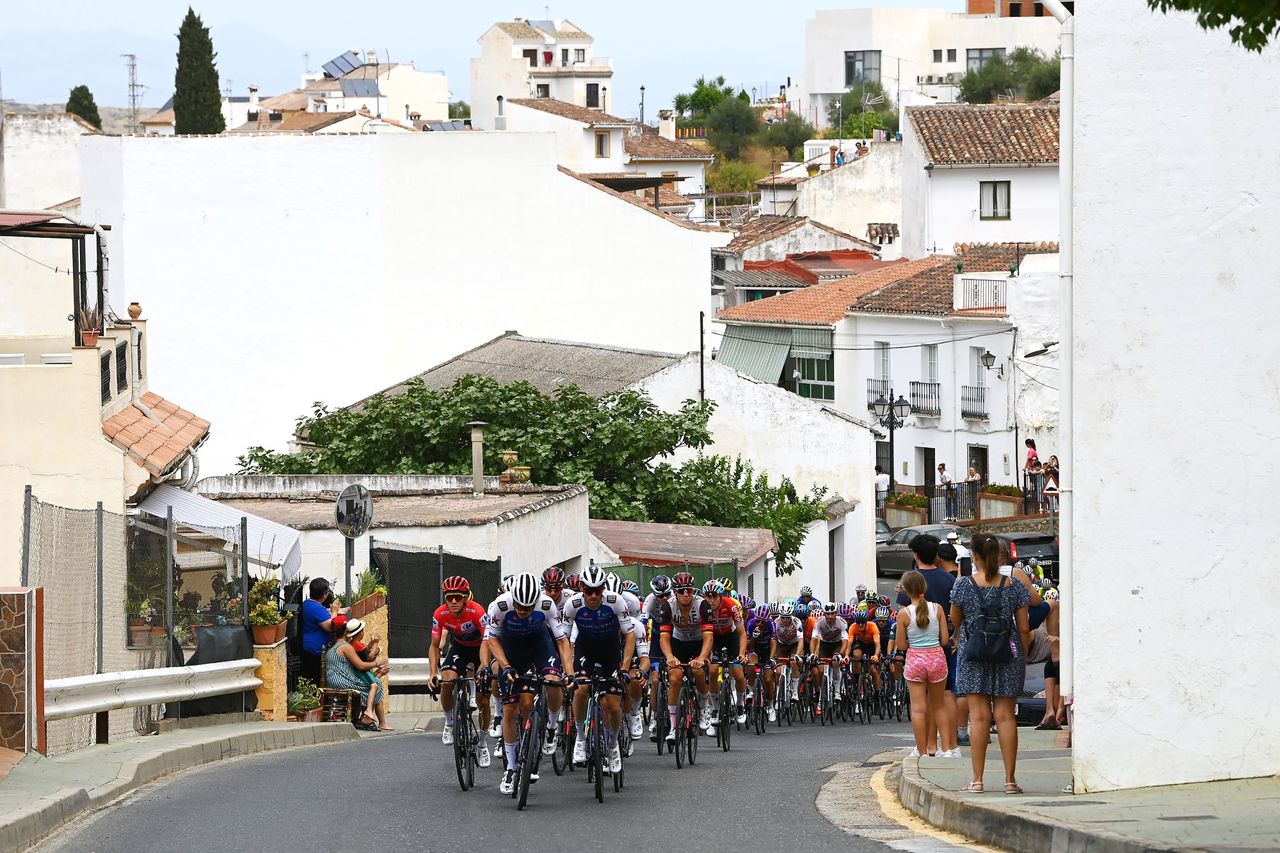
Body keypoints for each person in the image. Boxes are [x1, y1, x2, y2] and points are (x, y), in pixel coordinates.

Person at [950, 533, 1031, 794]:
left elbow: (956, 619)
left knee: (979, 717)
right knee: (1006, 717)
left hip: (974, 655)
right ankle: (1010, 781)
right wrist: (1023, 655)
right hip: (1008, 654)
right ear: (999, 555)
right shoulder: (1014, 585)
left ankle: (977, 780)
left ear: (974, 556)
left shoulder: (963, 586)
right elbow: (1025, 628)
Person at [484, 573, 572, 795]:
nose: (523, 611)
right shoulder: (500, 606)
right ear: (512, 599)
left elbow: (561, 640)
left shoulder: (546, 604)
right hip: (512, 652)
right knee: (511, 710)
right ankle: (512, 768)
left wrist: (569, 672)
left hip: (539, 647)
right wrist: (504, 665)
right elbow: (491, 639)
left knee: (553, 681)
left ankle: (552, 726)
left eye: (528, 607)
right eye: (520, 607)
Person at [562, 564, 634, 774]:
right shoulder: (572, 604)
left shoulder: (615, 602)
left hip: (611, 652)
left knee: (611, 705)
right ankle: (581, 739)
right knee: (581, 689)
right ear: (582, 588)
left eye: (598, 590)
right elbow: (564, 639)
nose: (593, 596)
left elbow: (629, 635)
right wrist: (569, 671)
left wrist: (624, 668)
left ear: (603, 589)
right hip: (586, 650)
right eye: (588, 591)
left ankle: (612, 747)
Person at [895, 534, 958, 755]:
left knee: (919, 707)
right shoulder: (948, 582)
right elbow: (949, 629)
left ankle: (924, 749)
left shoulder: (905, 605)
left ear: (916, 555)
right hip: (940, 654)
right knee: (943, 700)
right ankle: (949, 746)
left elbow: (901, 642)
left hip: (916, 658)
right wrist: (955, 637)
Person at [427, 575, 492, 766]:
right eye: (449, 597)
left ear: (465, 597)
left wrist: (484, 665)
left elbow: (488, 640)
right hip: (460, 648)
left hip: (481, 648)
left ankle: (482, 743)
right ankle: (449, 722)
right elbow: (434, 646)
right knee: (447, 682)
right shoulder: (440, 614)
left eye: (457, 597)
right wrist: (432, 673)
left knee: (484, 700)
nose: (453, 601)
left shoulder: (477, 611)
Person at [656, 571, 714, 746]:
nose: (686, 594)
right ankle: (674, 727)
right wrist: (670, 657)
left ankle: (704, 707)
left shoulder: (702, 605)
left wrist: (702, 658)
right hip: (678, 642)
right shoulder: (667, 606)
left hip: (698, 642)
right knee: (674, 677)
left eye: (689, 590)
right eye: (681, 591)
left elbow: (709, 637)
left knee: (697, 670)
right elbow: (664, 637)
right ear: (675, 592)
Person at [702, 579, 748, 729]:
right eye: (708, 596)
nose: (712, 600)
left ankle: (740, 703)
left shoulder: (731, 605)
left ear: (721, 595)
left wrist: (741, 653)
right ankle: (715, 707)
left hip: (731, 637)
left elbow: (742, 633)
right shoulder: (703, 607)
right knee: (713, 671)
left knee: (738, 673)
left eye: (715, 596)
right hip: (713, 638)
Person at [325, 619, 386, 731]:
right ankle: (367, 718)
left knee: (371, 684)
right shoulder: (345, 646)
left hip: (333, 680)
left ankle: (361, 717)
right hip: (342, 681)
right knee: (376, 684)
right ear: (345, 632)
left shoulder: (333, 646)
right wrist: (378, 663)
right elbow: (361, 666)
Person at [744, 603, 778, 722]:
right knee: (752, 666)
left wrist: (772, 658)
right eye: (758, 621)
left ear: (767, 620)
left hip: (767, 652)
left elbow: (774, 643)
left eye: (763, 622)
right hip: (755, 651)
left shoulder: (771, 624)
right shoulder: (750, 624)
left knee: (768, 679)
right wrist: (754, 636)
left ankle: (771, 705)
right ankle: (751, 690)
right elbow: (748, 647)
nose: (760, 624)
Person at [300, 578, 338, 684]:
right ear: (325, 594)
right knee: (314, 681)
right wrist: (334, 612)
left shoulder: (306, 604)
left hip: (306, 647)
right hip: (314, 652)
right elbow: (330, 626)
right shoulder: (317, 608)